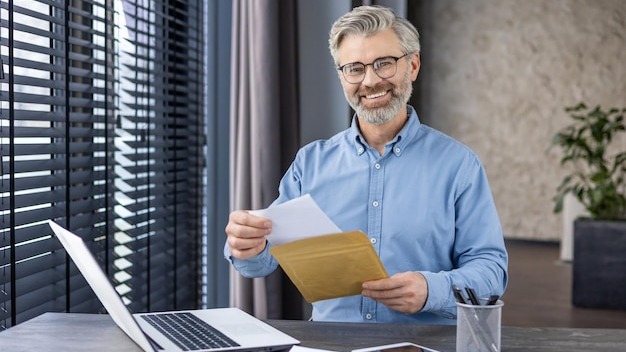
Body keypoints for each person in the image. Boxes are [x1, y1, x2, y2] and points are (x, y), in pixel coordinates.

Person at [224, 5, 508, 325]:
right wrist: (248, 247)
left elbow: (491, 272)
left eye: (384, 64)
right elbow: (263, 262)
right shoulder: (309, 163)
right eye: (355, 68)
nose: (370, 81)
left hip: (420, 346)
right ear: (342, 76)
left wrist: (432, 289)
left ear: (412, 65)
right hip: (330, 344)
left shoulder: (460, 166)